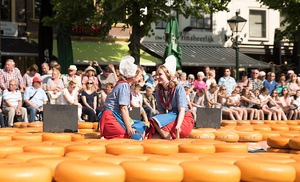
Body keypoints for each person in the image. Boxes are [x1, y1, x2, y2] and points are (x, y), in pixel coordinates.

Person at [98, 56, 148, 140]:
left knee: (141, 126)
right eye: (139, 75)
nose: (141, 78)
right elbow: (123, 108)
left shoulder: (122, 84)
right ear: (133, 76)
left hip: (111, 117)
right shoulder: (124, 86)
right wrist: (129, 128)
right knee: (134, 135)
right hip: (111, 118)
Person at [148, 55, 194, 139]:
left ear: (168, 75)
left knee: (154, 120)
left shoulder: (178, 88)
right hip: (170, 118)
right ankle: (167, 141)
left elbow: (182, 110)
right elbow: (162, 113)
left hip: (183, 120)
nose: (157, 77)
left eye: (160, 74)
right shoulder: (158, 91)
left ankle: (171, 142)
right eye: (157, 74)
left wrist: (178, 126)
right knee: (154, 137)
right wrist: (162, 127)